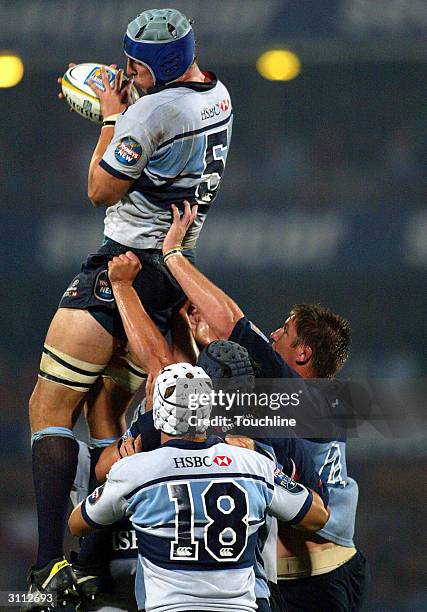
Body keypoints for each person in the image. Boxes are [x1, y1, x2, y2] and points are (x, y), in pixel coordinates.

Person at [26, 7, 233, 606]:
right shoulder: (216, 92)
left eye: (132, 65)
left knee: (48, 404)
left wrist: (112, 118)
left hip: (124, 263)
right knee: (106, 410)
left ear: (149, 67)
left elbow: (99, 189)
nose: (124, 71)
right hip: (169, 270)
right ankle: (96, 558)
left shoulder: (151, 111)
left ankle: (47, 566)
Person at [151, 201, 369, 611]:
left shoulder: (307, 400)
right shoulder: (305, 404)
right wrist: (199, 339)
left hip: (315, 582)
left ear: (302, 354)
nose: (272, 335)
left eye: (283, 331)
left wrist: (173, 255)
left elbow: (233, 321)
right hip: (313, 574)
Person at [69, 363, 329, 612]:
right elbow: (317, 516)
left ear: (157, 413)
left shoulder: (136, 470)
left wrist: (121, 472)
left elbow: (78, 523)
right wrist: (272, 470)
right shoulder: (253, 464)